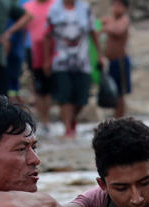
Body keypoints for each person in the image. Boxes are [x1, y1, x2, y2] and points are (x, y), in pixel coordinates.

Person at [44, 0, 99, 137]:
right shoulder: (54, 9)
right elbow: (47, 34)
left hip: (82, 62)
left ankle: (72, 119)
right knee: (65, 96)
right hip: (61, 61)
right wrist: (46, 59)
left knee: (81, 98)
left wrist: (99, 55)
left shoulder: (85, 9)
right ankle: (68, 128)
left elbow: (93, 32)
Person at [23, 0, 54, 130]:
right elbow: (22, 29)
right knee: (40, 89)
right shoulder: (27, 7)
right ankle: (44, 121)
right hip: (33, 51)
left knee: (51, 88)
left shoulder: (55, 5)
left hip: (55, 52)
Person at [101, 0, 130, 118]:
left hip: (121, 61)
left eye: (119, 5)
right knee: (113, 91)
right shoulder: (109, 21)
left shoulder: (124, 20)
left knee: (120, 93)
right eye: (114, 5)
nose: (116, 8)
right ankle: (116, 116)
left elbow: (118, 30)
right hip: (110, 62)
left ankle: (120, 117)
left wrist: (105, 27)